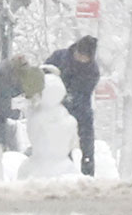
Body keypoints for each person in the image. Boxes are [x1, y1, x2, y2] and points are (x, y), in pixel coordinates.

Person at [46, 35, 101, 175]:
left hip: (81, 108)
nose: (80, 58)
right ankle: (65, 169)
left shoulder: (92, 71)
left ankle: (88, 172)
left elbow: (84, 92)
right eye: (79, 54)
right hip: (57, 106)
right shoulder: (59, 57)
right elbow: (45, 74)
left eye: (85, 57)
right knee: (61, 140)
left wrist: (70, 98)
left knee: (87, 141)